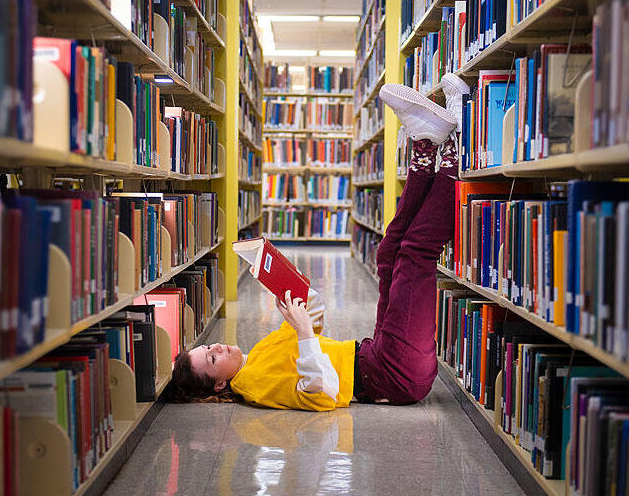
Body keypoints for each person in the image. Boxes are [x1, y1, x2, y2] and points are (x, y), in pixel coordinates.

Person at [166, 82, 463, 410]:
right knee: (414, 253)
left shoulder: (258, 355)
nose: (219, 347)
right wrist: (305, 331)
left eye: (210, 346)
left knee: (389, 253)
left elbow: (315, 315)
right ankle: (454, 156)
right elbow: (320, 393)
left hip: (378, 356)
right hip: (396, 375)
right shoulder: (253, 385)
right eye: (211, 358)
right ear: (220, 383)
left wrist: (282, 284)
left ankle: (427, 147)